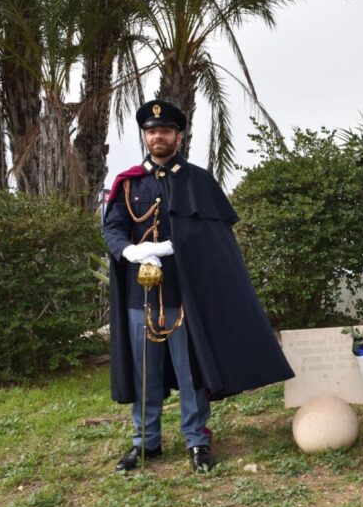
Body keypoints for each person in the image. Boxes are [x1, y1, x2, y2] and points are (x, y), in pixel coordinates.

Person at [103, 100, 294, 472]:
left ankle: (196, 441)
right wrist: (130, 251)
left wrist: (176, 246)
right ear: (145, 136)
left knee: (190, 371)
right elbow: (112, 228)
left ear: (178, 135)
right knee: (145, 373)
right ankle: (146, 443)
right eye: (151, 131)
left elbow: (212, 238)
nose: (158, 137)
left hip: (186, 295)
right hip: (138, 296)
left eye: (165, 131)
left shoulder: (198, 181)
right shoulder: (129, 183)